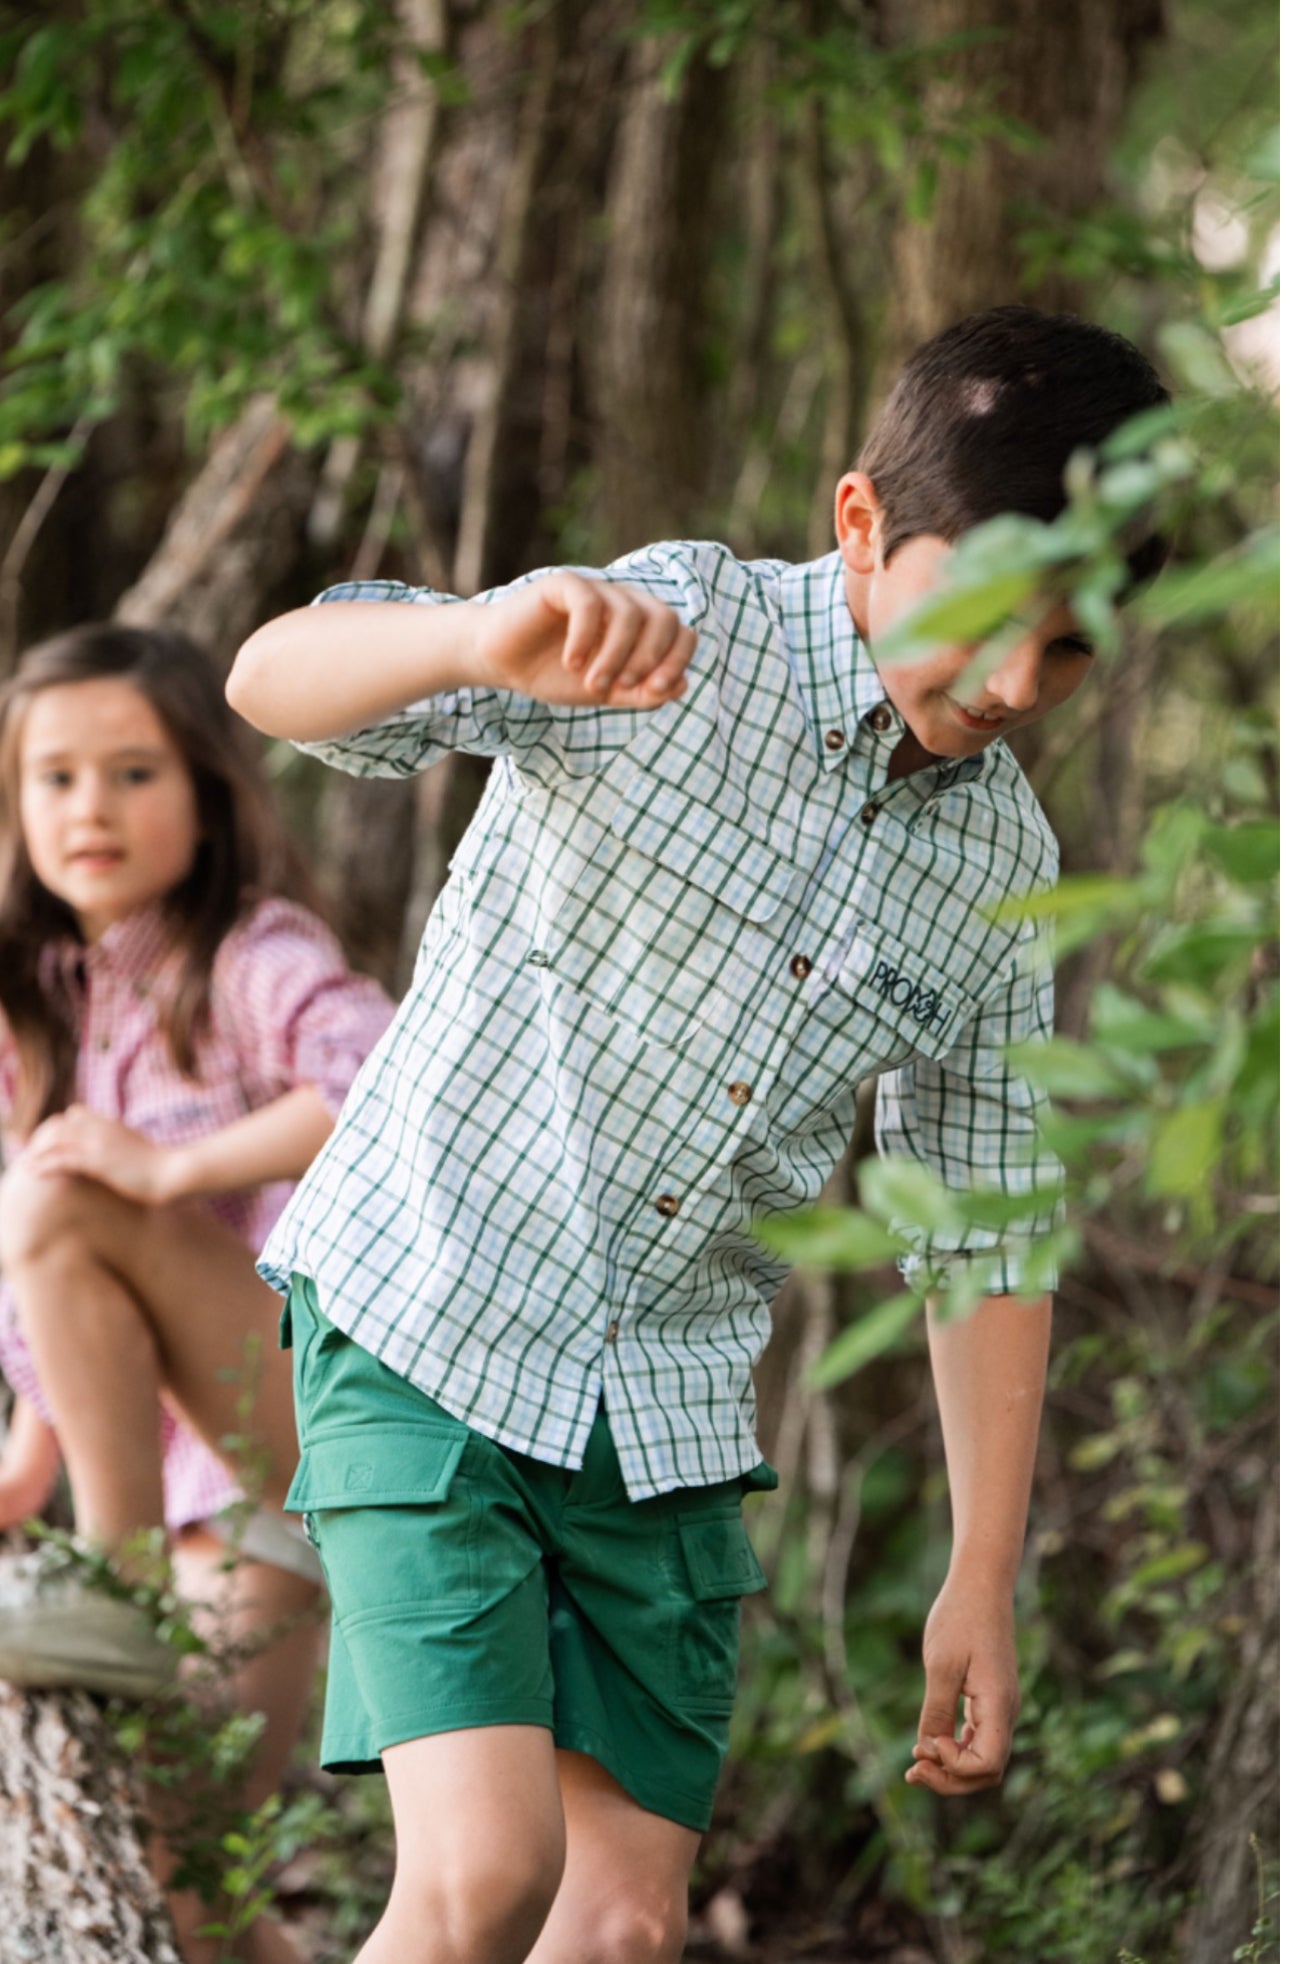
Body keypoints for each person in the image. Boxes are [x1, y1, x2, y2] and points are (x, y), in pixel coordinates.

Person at [225, 305, 1169, 1964]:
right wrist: (473, 636)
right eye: (997, 617)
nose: (1022, 683)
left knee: (623, 1931)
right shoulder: (675, 631)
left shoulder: (1000, 874)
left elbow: (984, 1229)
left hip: (658, 1418)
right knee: (480, 1878)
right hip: (425, 1317)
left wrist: (984, 1569)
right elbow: (273, 679)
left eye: (1076, 644)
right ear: (863, 525)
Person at [0, 622, 393, 1964]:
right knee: (185, 1864)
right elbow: (62, 1299)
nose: (87, 809)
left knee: (63, 1189)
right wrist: (27, 1457)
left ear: (208, 792)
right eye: (53, 778)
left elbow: (378, 1094)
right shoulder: (35, 1008)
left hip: (294, 1408)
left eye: (132, 773)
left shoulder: (250, 953)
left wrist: (173, 1172)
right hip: (196, 1492)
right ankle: (118, 1575)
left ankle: (109, 1581)